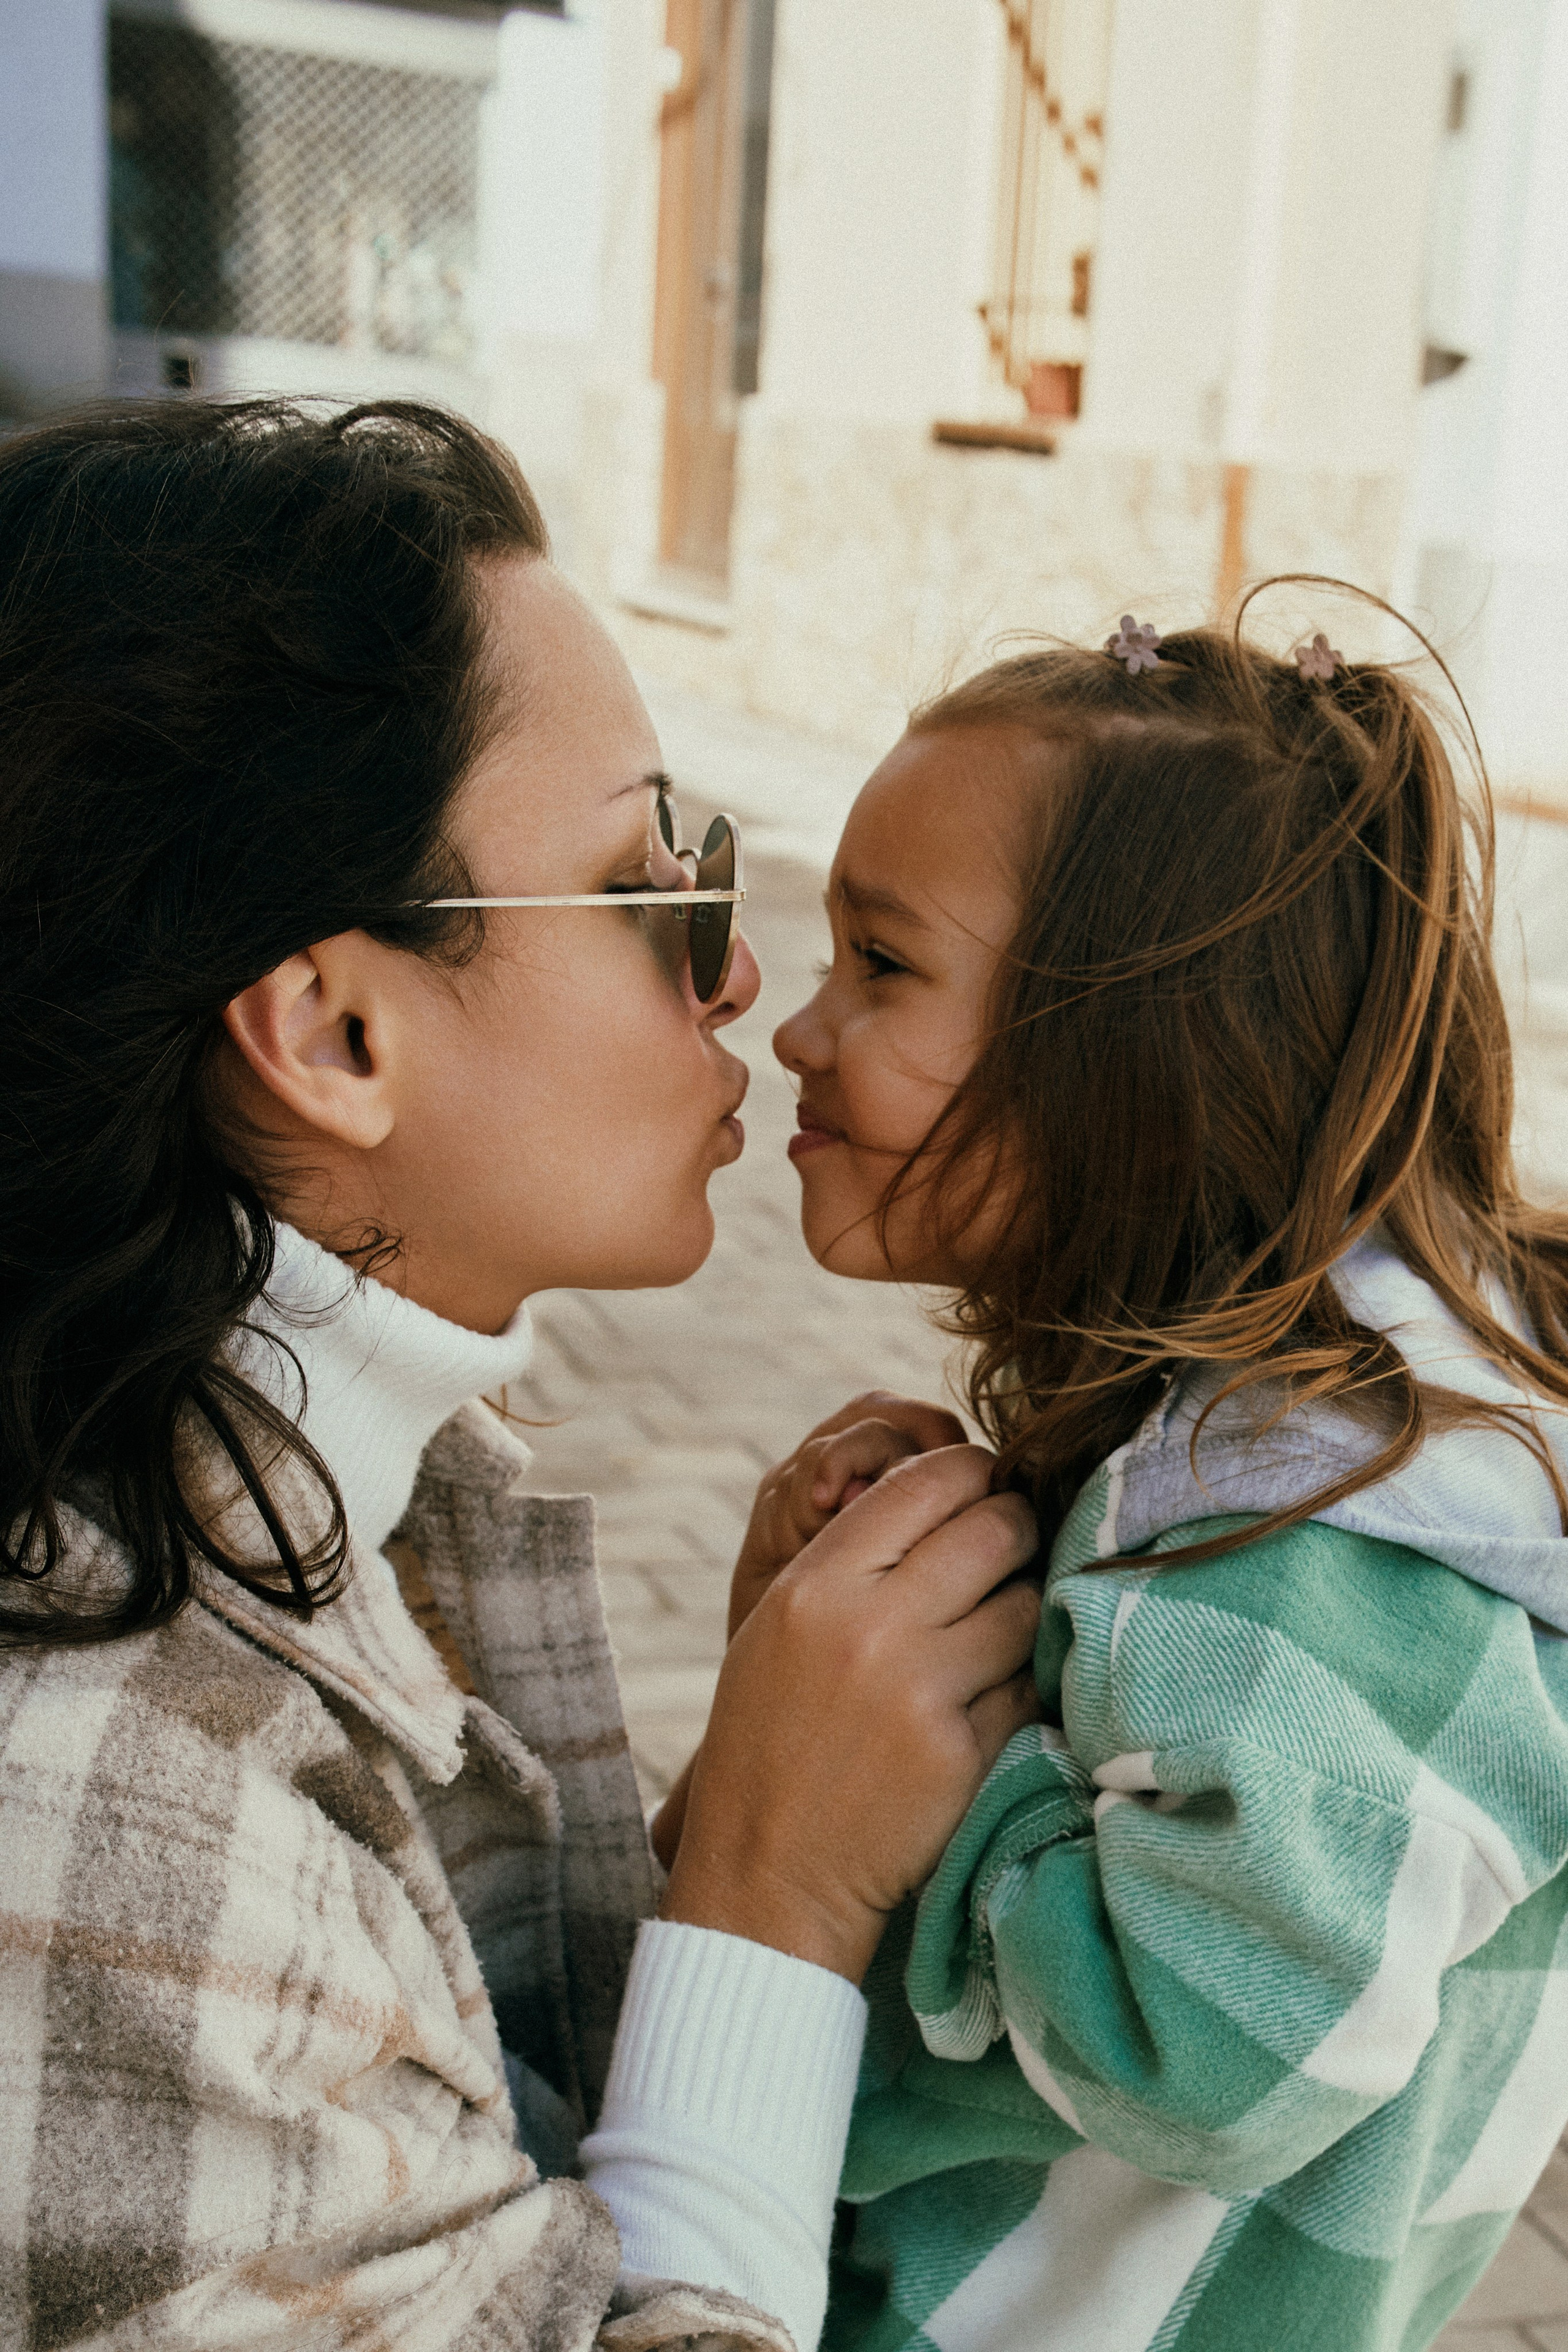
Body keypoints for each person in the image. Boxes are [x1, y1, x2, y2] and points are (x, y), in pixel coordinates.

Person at [0, 396, 1043, 2352]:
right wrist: (771, 1895)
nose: (740, 978)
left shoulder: (360, 1488)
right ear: (338, 1033)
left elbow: (468, 2149)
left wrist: (747, 1802)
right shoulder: (100, 1810)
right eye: (659, 885)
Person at [750, 597, 1568, 2350]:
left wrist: (896, 1755)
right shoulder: (1322, 1452)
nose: (800, 1029)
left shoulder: (1308, 1527)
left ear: (1144, 1054)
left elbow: (1211, 2035)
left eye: (882, 965)